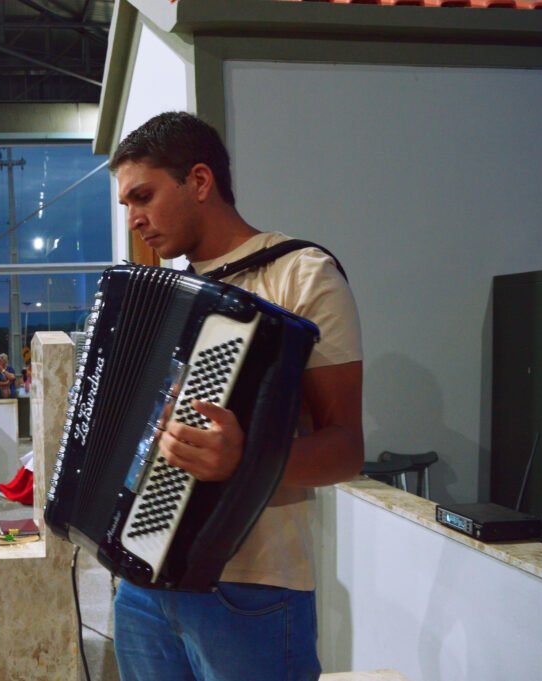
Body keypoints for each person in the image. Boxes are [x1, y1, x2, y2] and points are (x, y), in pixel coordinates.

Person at [108, 112, 364, 681]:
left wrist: (246, 461)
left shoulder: (301, 274)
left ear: (199, 181)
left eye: (142, 196)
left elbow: (347, 448)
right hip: (141, 581)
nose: (134, 219)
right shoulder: (160, 295)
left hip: (252, 585)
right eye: (127, 204)